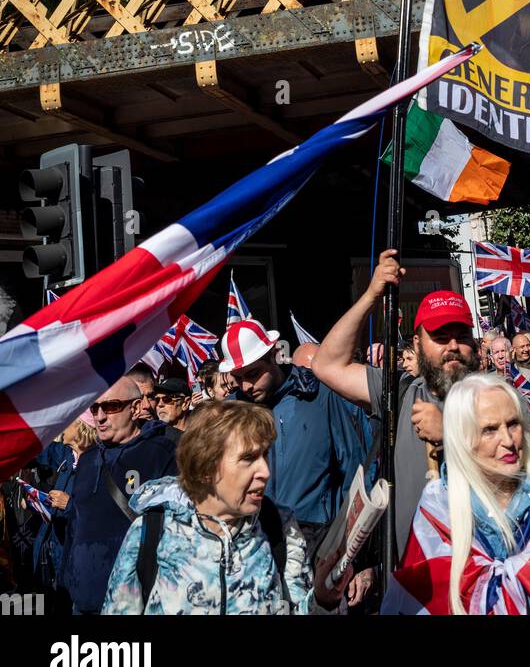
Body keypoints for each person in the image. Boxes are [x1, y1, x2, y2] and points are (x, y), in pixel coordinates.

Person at [382, 373, 530, 616]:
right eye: (490, 430)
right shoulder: (437, 512)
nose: (508, 440)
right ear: (463, 439)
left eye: (512, 424)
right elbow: (416, 600)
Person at [103, 401, 349, 614]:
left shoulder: (279, 526)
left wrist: (322, 600)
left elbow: (299, 608)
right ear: (206, 467)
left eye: (265, 455)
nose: (265, 472)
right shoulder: (151, 531)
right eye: (248, 459)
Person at [313, 250, 480, 560]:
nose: (453, 346)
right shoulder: (401, 391)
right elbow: (327, 365)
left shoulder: (496, 400)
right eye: (440, 337)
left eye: (462, 335)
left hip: (480, 578)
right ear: (416, 344)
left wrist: (450, 434)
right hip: (413, 581)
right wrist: (372, 294)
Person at [218, 318, 363, 552]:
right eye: (238, 378)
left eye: (253, 374)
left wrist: (354, 551)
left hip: (319, 539)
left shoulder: (320, 394)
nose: (246, 387)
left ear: (274, 355)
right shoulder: (231, 412)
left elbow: (354, 470)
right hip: (255, 541)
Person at [60, 376, 177, 615]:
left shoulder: (163, 453)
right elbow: (76, 525)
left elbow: (176, 532)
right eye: (95, 407)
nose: (100, 416)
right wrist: (65, 582)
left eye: (111, 406)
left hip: (134, 602)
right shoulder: (87, 459)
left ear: (135, 408)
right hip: (82, 601)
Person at [31, 417, 98, 602]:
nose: (63, 426)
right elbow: (38, 450)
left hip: (77, 559)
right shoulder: (68, 456)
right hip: (55, 549)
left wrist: (69, 505)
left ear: (81, 428)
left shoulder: (100, 463)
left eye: (70, 420)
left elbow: (99, 515)